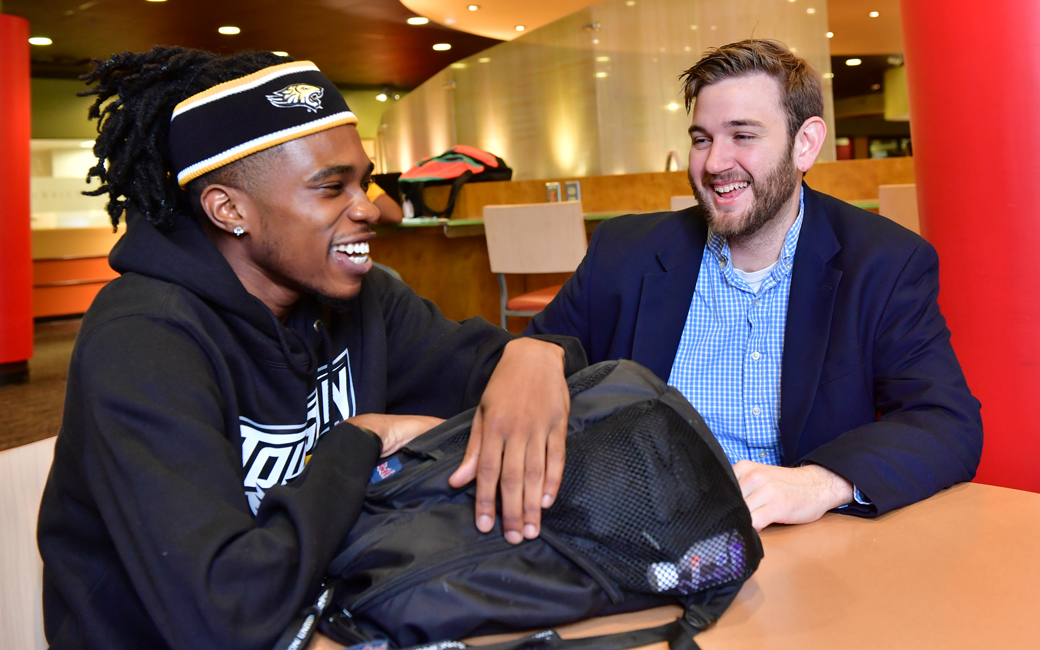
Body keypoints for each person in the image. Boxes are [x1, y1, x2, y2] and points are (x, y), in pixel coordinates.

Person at [37, 48, 585, 650]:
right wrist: (359, 440)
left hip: (334, 616)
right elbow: (225, 614)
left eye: (364, 181)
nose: (369, 207)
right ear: (229, 209)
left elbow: (495, 376)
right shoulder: (142, 339)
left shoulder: (363, 297)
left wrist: (535, 355)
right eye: (331, 188)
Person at [526, 39, 982, 531]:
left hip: (804, 549)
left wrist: (818, 484)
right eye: (702, 139)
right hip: (635, 533)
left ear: (805, 144)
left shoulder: (884, 262)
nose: (714, 163)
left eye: (742, 135)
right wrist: (527, 363)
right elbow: (536, 359)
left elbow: (944, 423)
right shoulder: (622, 253)